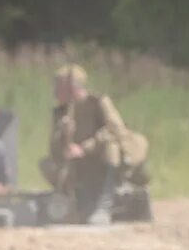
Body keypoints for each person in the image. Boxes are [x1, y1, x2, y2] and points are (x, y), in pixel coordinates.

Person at [39, 64, 150, 225]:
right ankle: (74, 201)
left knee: (111, 147)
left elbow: (115, 130)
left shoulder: (98, 102)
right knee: (48, 165)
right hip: (80, 165)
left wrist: (84, 148)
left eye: (59, 87)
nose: (55, 91)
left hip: (102, 157)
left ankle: (105, 203)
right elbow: (54, 150)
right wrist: (62, 134)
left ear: (73, 88)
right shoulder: (61, 112)